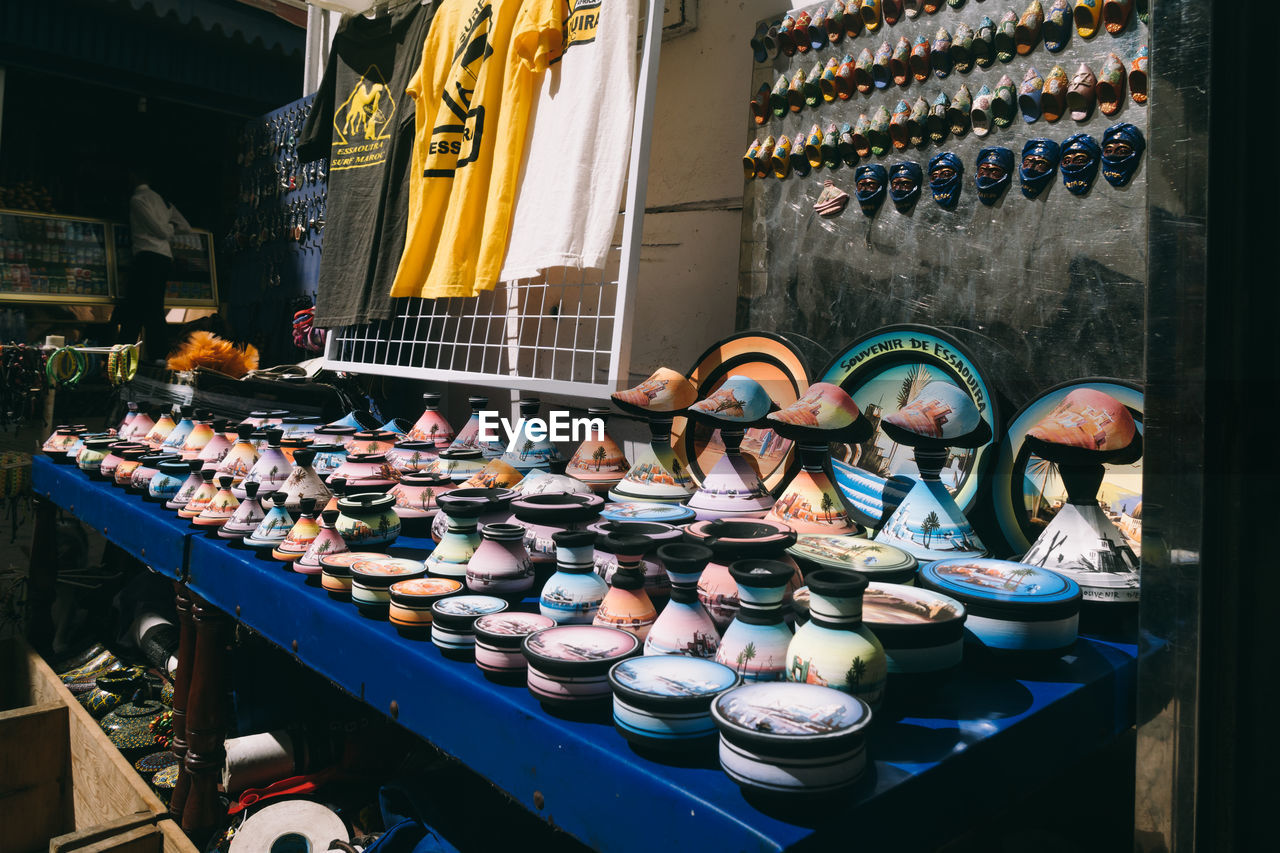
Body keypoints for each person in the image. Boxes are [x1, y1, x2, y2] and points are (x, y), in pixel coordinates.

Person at [115, 171, 189, 360]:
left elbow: (162, 231)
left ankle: (135, 355)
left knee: (140, 308)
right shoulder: (163, 201)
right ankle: (155, 355)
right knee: (148, 307)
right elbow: (184, 226)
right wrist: (170, 226)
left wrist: (168, 228)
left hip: (147, 257)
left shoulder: (138, 200)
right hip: (163, 259)